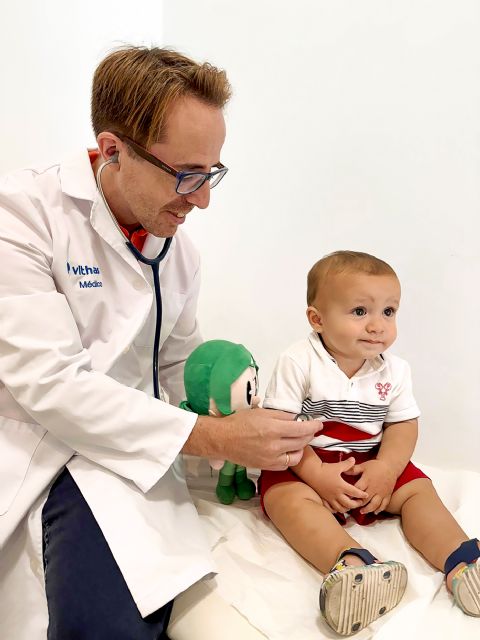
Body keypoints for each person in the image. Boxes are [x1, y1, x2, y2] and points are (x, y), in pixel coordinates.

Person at [0, 46, 317, 640]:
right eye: (186, 174)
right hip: (44, 449)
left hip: (128, 453)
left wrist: (243, 413)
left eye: (212, 173)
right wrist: (214, 437)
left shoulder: (178, 252)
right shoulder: (22, 216)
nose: (202, 199)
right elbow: (51, 385)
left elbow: (177, 361)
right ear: (113, 150)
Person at [259, 250, 480, 636]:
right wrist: (317, 474)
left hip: (371, 461)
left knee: (418, 491)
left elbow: (403, 426)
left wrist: (387, 469)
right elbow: (282, 429)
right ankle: (352, 567)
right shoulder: (298, 361)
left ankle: (461, 562)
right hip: (307, 459)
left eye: (389, 312)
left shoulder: (394, 370)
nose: (378, 326)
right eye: (360, 311)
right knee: (284, 498)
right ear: (317, 319)